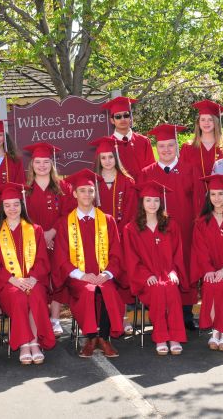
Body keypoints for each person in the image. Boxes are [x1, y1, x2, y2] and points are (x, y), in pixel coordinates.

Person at [52, 169, 124, 358]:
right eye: (82, 190)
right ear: (74, 194)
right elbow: (61, 257)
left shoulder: (107, 221)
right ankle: (91, 338)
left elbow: (116, 253)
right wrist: (82, 275)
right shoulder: (65, 223)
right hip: (78, 278)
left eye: (90, 191)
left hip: (103, 274)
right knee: (88, 290)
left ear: (95, 194)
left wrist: (106, 274)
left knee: (107, 289)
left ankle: (104, 339)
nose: (87, 194)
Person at [0, 182, 55, 364]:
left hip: (34, 281)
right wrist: (12, 280)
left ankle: (34, 341)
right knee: (18, 298)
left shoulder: (35, 230)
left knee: (34, 295)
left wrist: (33, 278)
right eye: (7, 205)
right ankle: (25, 343)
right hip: (8, 284)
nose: (12, 209)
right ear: (2, 208)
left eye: (16, 204)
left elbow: (42, 260)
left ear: (22, 205)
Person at [140, 124, 198, 330]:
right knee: (159, 267)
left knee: (185, 267)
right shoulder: (147, 172)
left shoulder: (190, 170)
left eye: (171, 146)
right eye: (162, 146)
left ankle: (186, 313)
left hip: (185, 229)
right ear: (156, 147)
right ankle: (160, 313)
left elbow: (198, 201)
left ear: (177, 147)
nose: (166, 150)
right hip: (157, 232)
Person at [123, 181, 187, 355]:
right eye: (148, 200)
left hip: (168, 273)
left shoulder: (170, 225)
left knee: (171, 288)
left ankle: (175, 336)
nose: (153, 204)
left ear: (161, 203)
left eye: (156, 201)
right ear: (142, 202)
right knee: (158, 289)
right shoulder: (131, 228)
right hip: (146, 279)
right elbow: (131, 258)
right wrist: (145, 275)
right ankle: (160, 336)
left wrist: (174, 271)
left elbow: (177, 253)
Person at [24, 142, 75, 337]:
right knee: (39, 278)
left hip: (57, 240)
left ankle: (55, 319)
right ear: (32, 164)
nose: (42, 166)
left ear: (52, 164)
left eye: (46, 162)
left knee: (57, 276)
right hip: (32, 242)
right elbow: (22, 216)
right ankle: (40, 317)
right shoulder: (25, 189)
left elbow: (68, 214)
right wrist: (39, 237)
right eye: (38, 162)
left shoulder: (63, 187)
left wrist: (51, 233)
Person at [91, 136, 138, 334]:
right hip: (98, 238)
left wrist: (119, 231)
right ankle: (106, 316)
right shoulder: (93, 181)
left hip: (122, 235)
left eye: (110, 157)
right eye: (103, 158)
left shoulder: (127, 181)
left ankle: (124, 316)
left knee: (122, 274)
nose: (107, 161)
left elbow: (131, 210)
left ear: (116, 158)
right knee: (103, 274)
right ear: (99, 160)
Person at [191, 174, 223, 352]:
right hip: (210, 270)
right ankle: (216, 330)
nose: (217, 198)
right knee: (211, 283)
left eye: (220, 194)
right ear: (208, 197)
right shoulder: (201, 222)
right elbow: (199, 249)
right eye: (213, 194)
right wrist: (208, 270)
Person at [102, 96, 155, 179]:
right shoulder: (107, 144)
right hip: (119, 190)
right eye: (118, 116)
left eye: (126, 115)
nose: (123, 119)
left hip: (143, 189)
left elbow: (151, 170)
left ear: (130, 118)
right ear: (112, 120)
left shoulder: (143, 141)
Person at [180, 100, 223, 179]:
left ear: (216, 122)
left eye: (210, 119)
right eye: (203, 119)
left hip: (221, 191)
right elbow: (182, 177)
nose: (206, 123)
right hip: (194, 191)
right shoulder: (187, 148)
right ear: (198, 123)